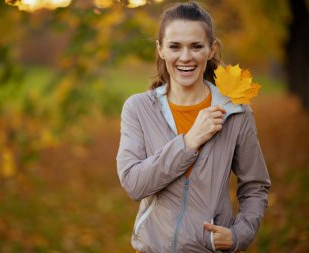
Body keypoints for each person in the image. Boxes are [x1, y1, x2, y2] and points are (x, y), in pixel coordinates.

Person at [116, 1, 271, 253]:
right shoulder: (139, 109)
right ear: (161, 50)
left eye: (196, 46)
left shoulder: (235, 113)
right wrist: (187, 143)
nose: (185, 57)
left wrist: (239, 234)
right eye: (175, 46)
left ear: (211, 49)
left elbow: (255, 186)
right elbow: (134, 184)